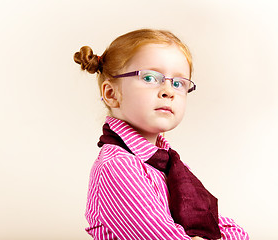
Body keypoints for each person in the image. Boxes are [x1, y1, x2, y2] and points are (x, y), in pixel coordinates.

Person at [74, 29, 249, 240]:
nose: (169, 91)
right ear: (112, 94)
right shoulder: (117, 167)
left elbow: (229, 229)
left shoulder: (170, 165)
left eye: (178, 83)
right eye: (150, 77)